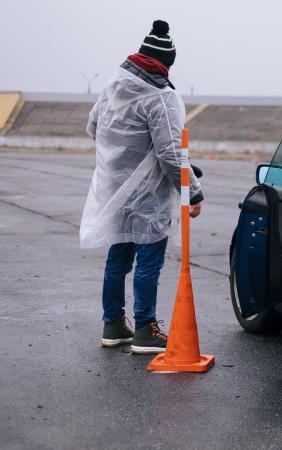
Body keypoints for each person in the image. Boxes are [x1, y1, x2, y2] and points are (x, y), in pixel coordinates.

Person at [80, 20, 204, 354]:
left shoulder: (113, 87)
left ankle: (113, 325)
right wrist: (192, 190)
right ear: (166, 63)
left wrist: (126, 161)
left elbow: (94, 127)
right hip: (149, 196)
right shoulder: (160, 97)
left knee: (118, 259)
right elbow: (170, 152)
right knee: (149, 261)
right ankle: (146, 330)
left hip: (115, 192)